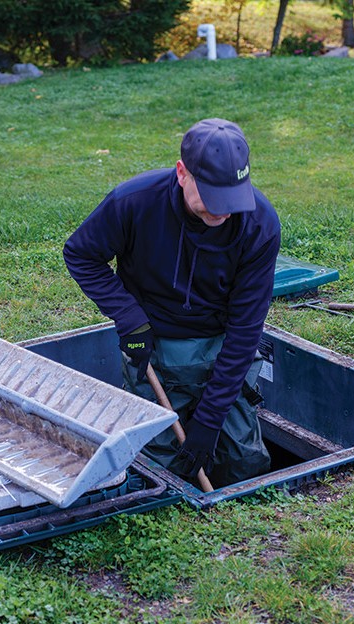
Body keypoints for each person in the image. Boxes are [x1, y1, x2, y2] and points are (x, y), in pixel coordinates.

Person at [63, 118, 281, 488]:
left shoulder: (258, 224)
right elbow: (81, 255)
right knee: (160, 465)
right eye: (213, 197)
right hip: (154, 346)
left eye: (232, 197)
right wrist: (129, 318)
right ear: (183, 173)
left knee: (243, 461)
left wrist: (210, 420)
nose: (224, 211)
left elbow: (246, 329)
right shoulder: (133, 203)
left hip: (220, 347)